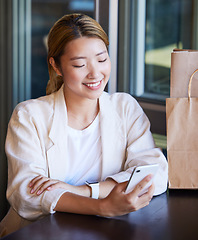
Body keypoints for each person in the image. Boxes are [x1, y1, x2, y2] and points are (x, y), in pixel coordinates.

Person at [0, 13, 168, 237]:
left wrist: (80, 191)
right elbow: (26, 194)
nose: (95, 73)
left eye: (101, 59)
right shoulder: (29, 116)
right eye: (80, 64)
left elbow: (154, 175)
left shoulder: (124, 107)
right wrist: (103, 206)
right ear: (56, 66)